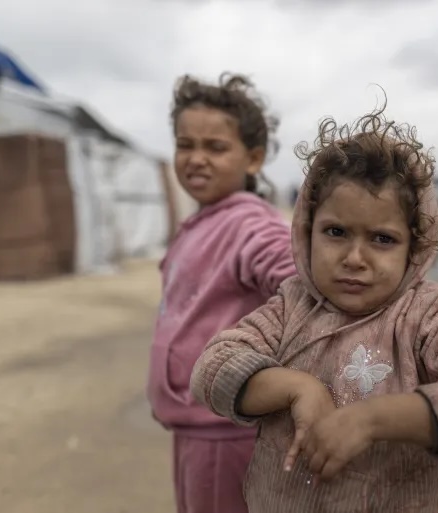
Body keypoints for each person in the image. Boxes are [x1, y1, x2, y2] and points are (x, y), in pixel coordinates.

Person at [190, 101, 438, 512]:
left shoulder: (429, 315)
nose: (355, 257)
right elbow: (212, 368)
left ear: (415, 248)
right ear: (307, 232)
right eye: (336, 232)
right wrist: (297, 387)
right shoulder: (291, 305)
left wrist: (373, 419)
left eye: (382, 239)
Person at [147, 72, 296, 513]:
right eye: (185, 145)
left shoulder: (249, 223)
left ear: (252, 159)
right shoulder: (206, 220)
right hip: (193, 426)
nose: (196, 159)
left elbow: (298, 280)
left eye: (215, 148)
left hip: (225, 431)